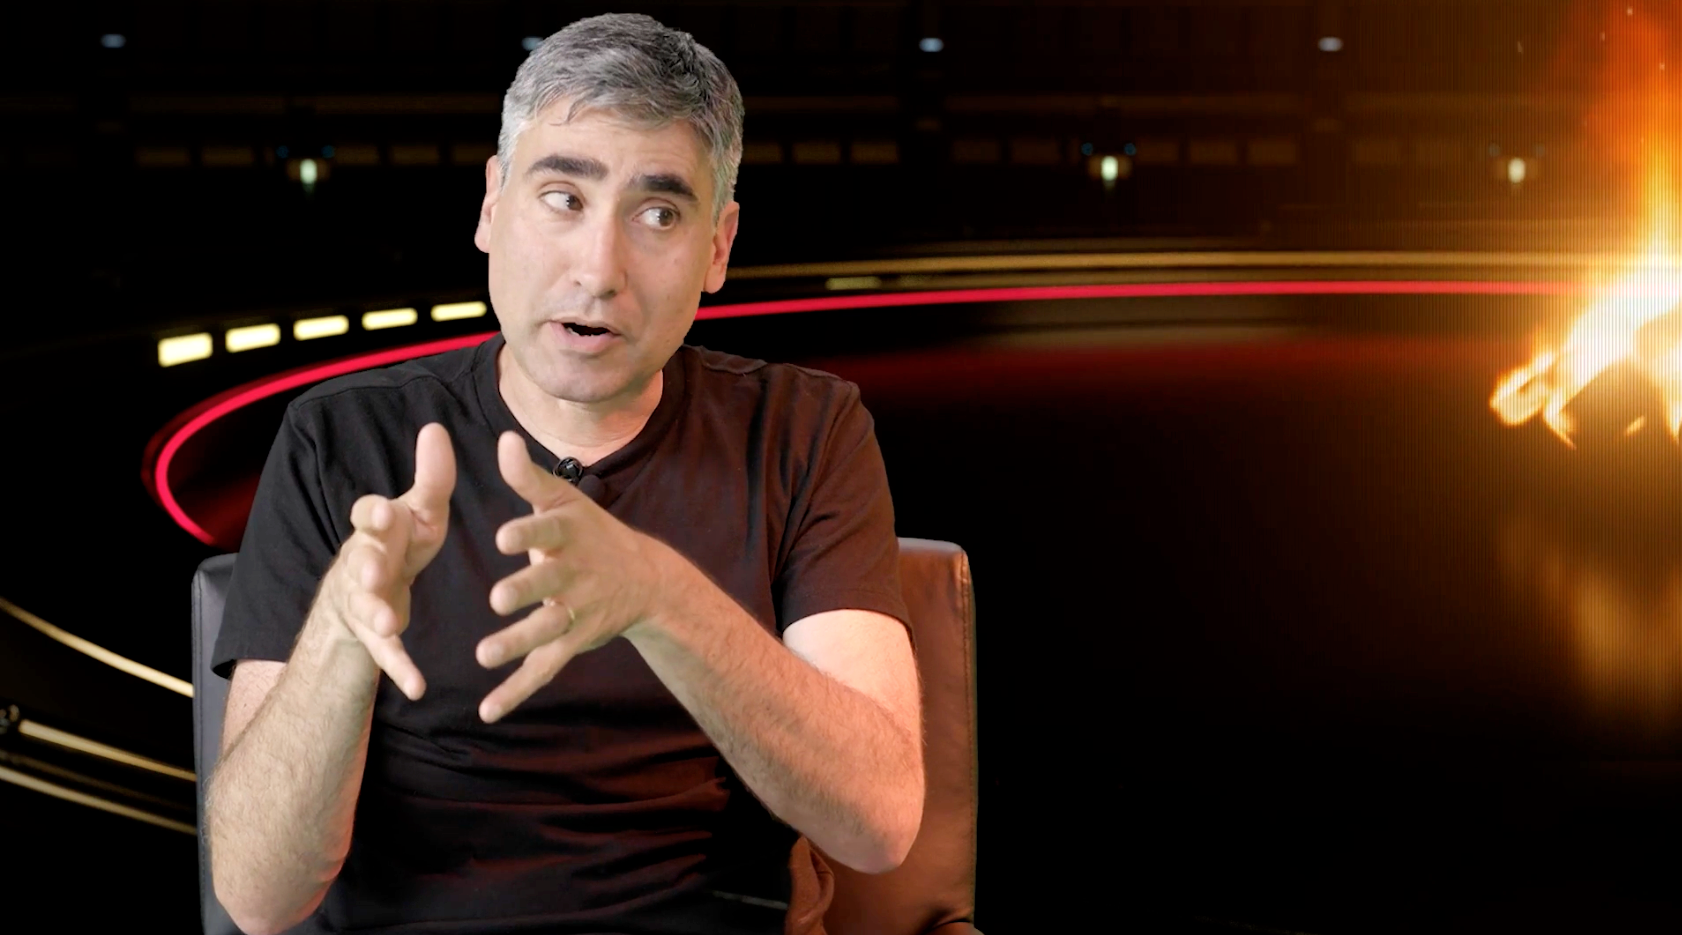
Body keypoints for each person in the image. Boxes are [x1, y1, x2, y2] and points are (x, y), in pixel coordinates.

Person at [204, 13, 924, 935]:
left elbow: (878, 824)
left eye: (658, 214)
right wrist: (340, 630)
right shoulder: (339, 439)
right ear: (492, 207)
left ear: (718, 247)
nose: (599, 268)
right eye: (563, 197)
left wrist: (663, 599)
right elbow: (258, 898)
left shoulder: (806, 430)